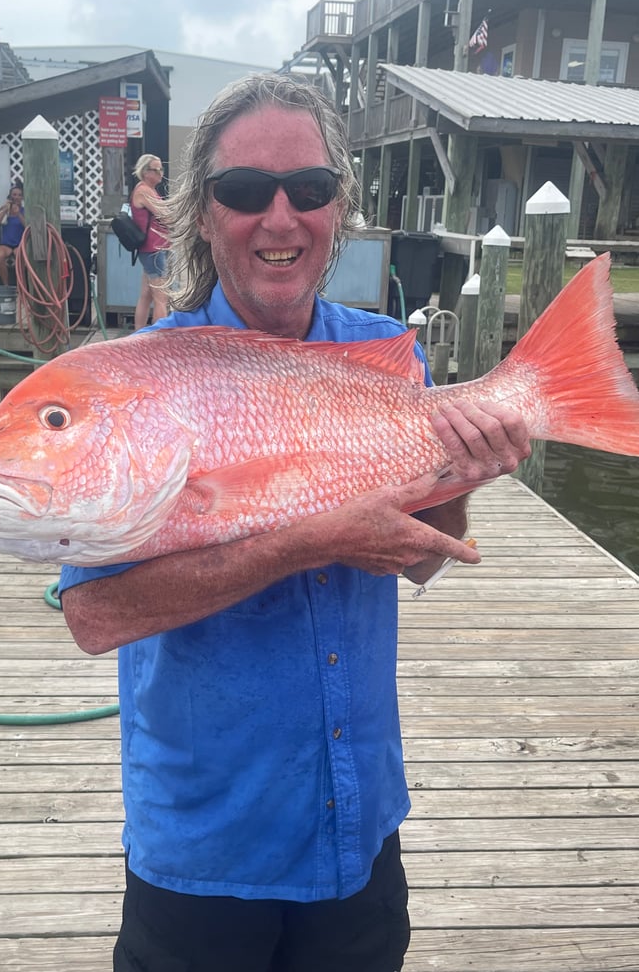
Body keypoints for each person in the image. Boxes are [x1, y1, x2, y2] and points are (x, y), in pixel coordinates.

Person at [59, 73, 530, 972]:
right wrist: (311, 541)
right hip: (206, 853)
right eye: (245, 192)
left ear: (338, 208)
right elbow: (96, 617)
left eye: (308, 190)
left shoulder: (388, 354)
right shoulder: (137, 380)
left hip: (356, 826)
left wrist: (466, 470)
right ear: (202, 214)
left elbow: (422, 559)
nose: (281, 218)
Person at [130, 154, 170, 329]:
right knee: (161, 297)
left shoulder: (147, 190)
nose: (161, 173)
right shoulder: (144, 191)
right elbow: (165, 215)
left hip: (152, 248)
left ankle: (137, 336)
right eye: (156, 169)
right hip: (154, 248)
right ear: (145, 172)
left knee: (146, 294)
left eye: (161, 168)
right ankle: (158, 339)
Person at [0, 184, 25, 285]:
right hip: (6, 244)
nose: (17, 197)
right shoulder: (4, 210)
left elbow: (27, 226)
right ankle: (6, 284)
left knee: (20, 257)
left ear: (22, 197)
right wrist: (5, 210)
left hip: (19, 243)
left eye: (19, 195)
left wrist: (18, 214)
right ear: (10, 196)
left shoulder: (24, 211)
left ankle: (21, 285)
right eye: (14, 195)